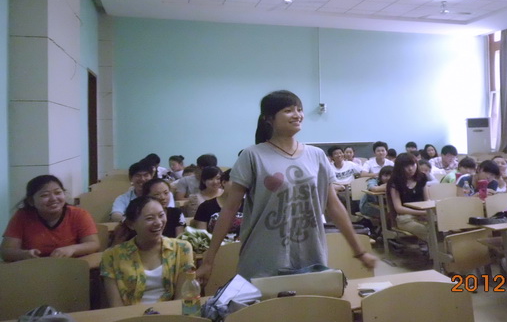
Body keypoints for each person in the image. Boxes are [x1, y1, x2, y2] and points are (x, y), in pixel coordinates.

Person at [196, 90, 376, 283]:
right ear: (268, 118)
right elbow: (229, 209)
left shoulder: (316, 155)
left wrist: (359, 251)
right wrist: (209, 260)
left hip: (310, 253)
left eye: (299, 109)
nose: (297, 115)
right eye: (288, 110)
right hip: (263, 256)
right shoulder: (252, 155)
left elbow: (333, 205)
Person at [101, 196, 194, 307]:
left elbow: (182, 298)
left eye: (161, 215)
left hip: (171, 313)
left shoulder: (182, 248)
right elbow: (116, 305)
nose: (158, 222)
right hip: (129, 316)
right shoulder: (111, 256)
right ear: (131, 224)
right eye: (149, 218)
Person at [1, 175, 100, 262]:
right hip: (34, 268)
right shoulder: (22, 216)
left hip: (70, 266)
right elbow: (6, 251)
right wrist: (25, 254)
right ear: (31, 201)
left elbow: (93, 244)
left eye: (58, 193)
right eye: (45, 195)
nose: (53, 199)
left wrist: (72, 249)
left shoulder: (78, 214)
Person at [110, 161, 174, 222]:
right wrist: (136, 223)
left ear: (151, 177)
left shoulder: (165, 195)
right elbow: (115, 215)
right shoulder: (123, 198)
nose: (142, 179)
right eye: (138, 175)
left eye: (146, 175)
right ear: (130, 178)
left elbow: (170, 213)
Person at [387, 153, 430, 243]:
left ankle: (436, 249)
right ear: (399, 168)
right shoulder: (395, 182)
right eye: (406, 166)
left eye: (413, 164)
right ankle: (435, 250)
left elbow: (427, 200)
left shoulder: (422, 177)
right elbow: (399, 208)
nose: (410, 168)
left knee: (441, 227)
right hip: (405, 217)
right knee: (425, 230)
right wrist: (420, 213)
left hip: (423, 214)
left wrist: (427, 213)